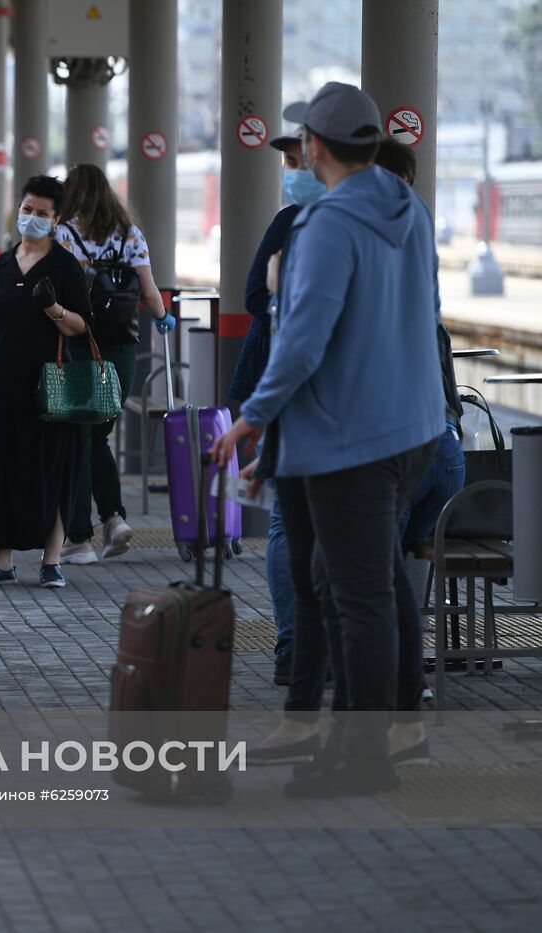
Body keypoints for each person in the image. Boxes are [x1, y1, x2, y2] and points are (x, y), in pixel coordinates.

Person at [211, 82, 442, 798]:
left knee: (357, 595)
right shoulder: (410, 209)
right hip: (414, 430)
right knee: (362, 582)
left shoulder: (328, 225)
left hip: (352, 441)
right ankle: (373, 733)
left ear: (314, 146)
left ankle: (364, 757)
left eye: (300, 141)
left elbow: (303, 339)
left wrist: (253, 416)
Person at [0, 175, 94, 591]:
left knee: (51, 468)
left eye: (41, 213)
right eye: (26, 209)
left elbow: (81, 326)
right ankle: (1, 560)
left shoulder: (64, 266)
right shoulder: (2, 264)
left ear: (55, 221)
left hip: (48, 389)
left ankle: (51, 561)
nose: (32, 218)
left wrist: (52, 306)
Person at [229, 129, 324, 686]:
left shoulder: (341, 226)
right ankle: (294, 649)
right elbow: (253, 298)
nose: (290, 174)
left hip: (313, 400)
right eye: (287, 163)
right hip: (279, 390)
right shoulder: (288, 221)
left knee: (307, 527)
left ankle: (307, 652)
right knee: (290, 525)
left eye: (298, 162)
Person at [52, 164, 175, 566]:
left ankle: (80, 537)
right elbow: (150, 290)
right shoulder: (130, 234)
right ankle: (114, 517)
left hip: (80, 344)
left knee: (79, 437)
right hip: (122, 348)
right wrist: (161, 318)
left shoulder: (64, 234)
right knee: (98, 435)